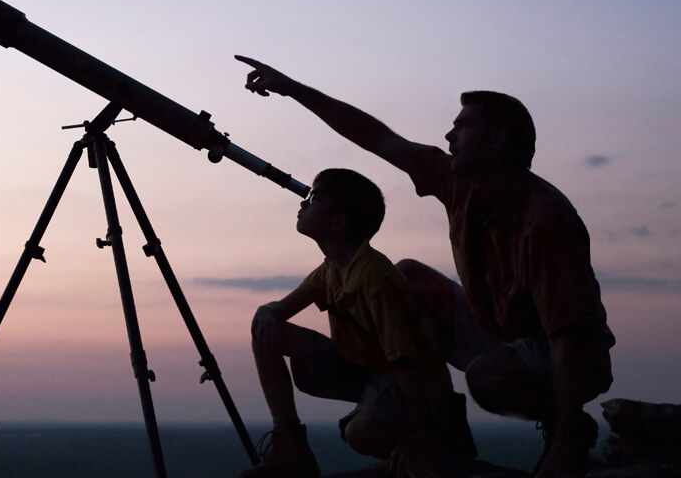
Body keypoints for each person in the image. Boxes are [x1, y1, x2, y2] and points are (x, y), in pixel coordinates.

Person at [236, 55, 614, 478]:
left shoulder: (544, 220)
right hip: (500, 335)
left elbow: (568, 337)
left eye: (463, 125)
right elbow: (376, 136)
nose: (449, 133)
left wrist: (564, 445)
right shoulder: (458, 182)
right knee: (410, 274)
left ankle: (567, 430)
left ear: (499, 139)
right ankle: (435, 422)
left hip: (566, 355)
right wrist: (293, 88)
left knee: (486, 377)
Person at [239, 168, 476, 478]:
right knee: (264, 333)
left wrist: (418, 440)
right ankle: (291, 447)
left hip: (413, 383)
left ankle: (429, 447)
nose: (303, 203)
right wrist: (265, 312)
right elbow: (278, 311)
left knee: (358, 433)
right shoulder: (331, 270)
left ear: (339, 221)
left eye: (315, 197)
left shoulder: (373, 276)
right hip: (367, 370)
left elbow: (407, 364)